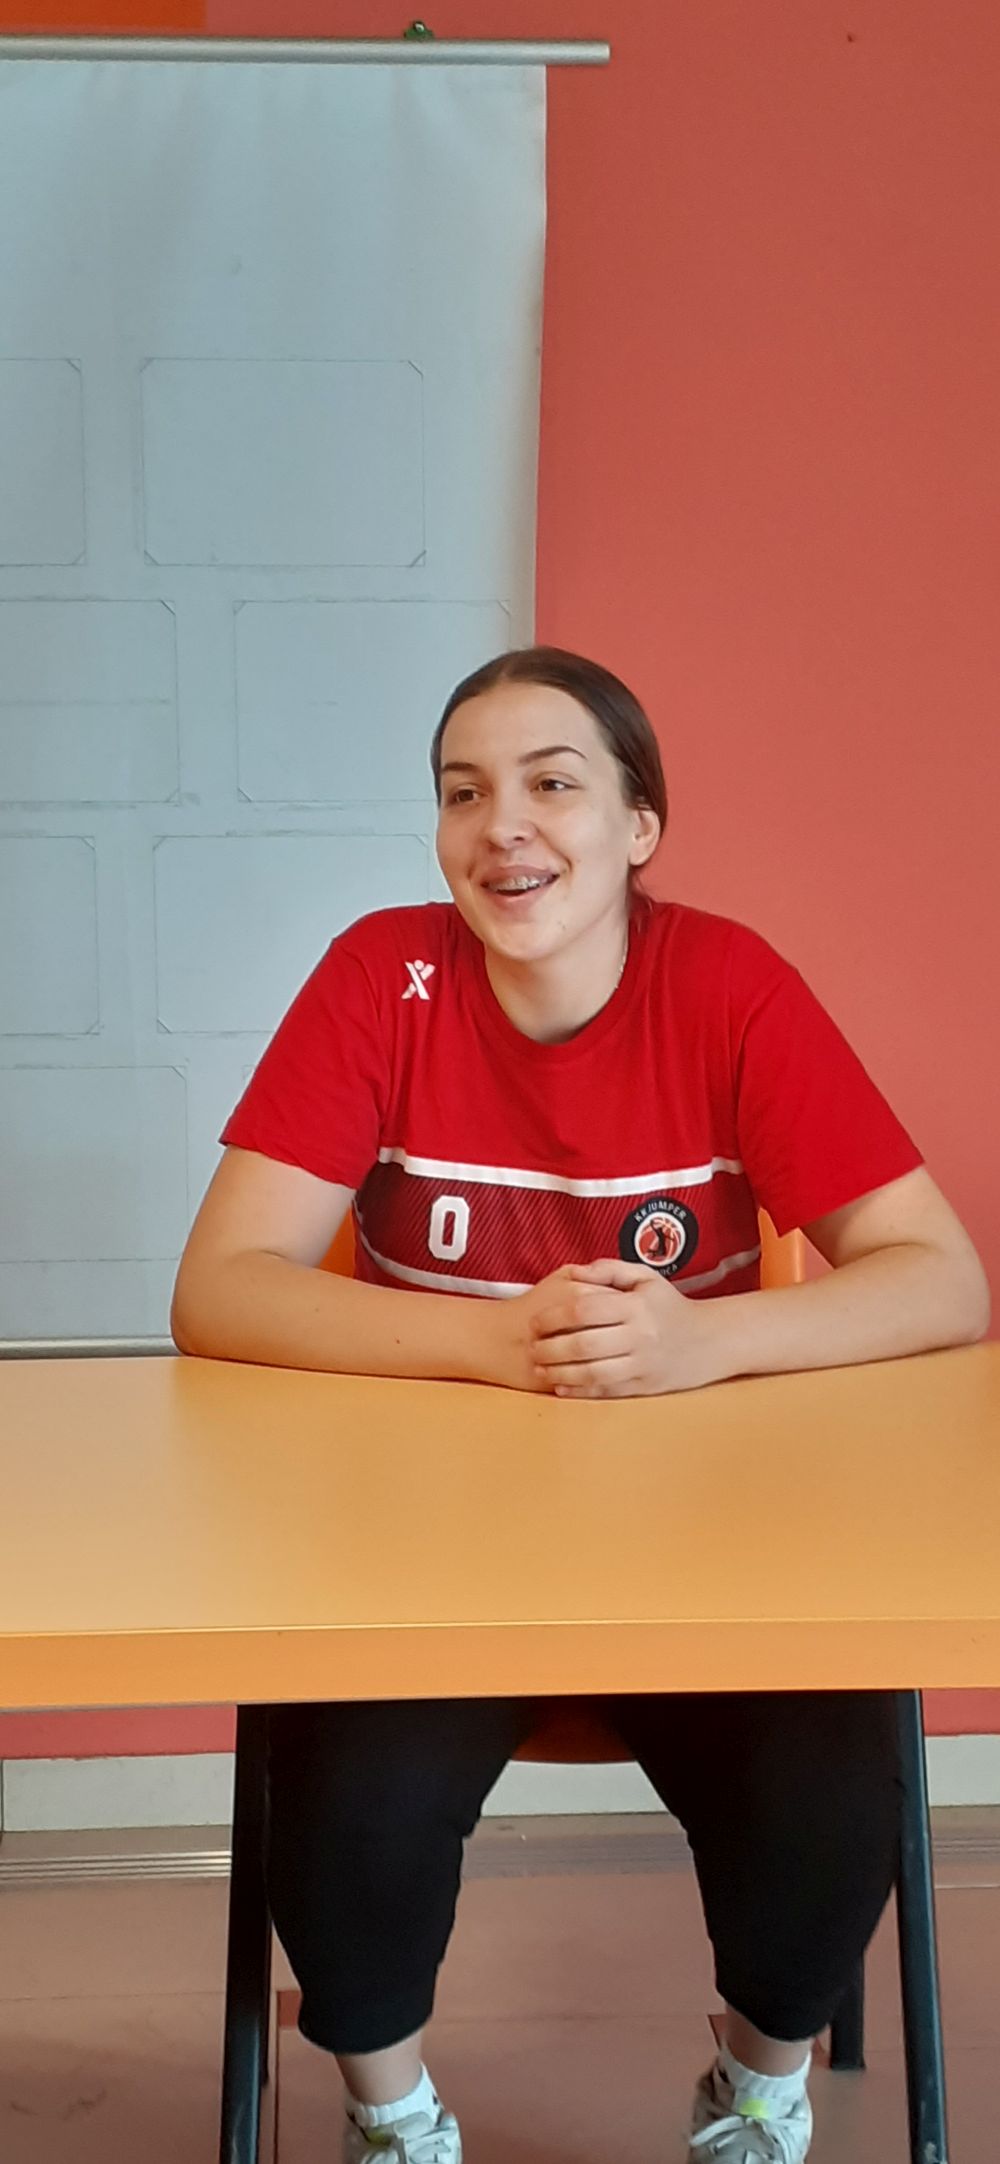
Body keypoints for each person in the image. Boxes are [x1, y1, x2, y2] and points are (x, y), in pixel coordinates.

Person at [172, 647, 989, 2164]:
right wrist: (499, 1347)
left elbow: (943, 1279)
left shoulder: (728, 985)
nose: (504, 827)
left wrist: (701, 1345)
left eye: (553, 784)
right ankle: (392, 2115)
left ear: (639, 825)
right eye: (462, 792)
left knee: (833, 1789)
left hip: (709, 1551)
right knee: (343, 1806)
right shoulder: (383, 977)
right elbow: (219, 1287)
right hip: (423, 1556)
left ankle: (759, 2089)